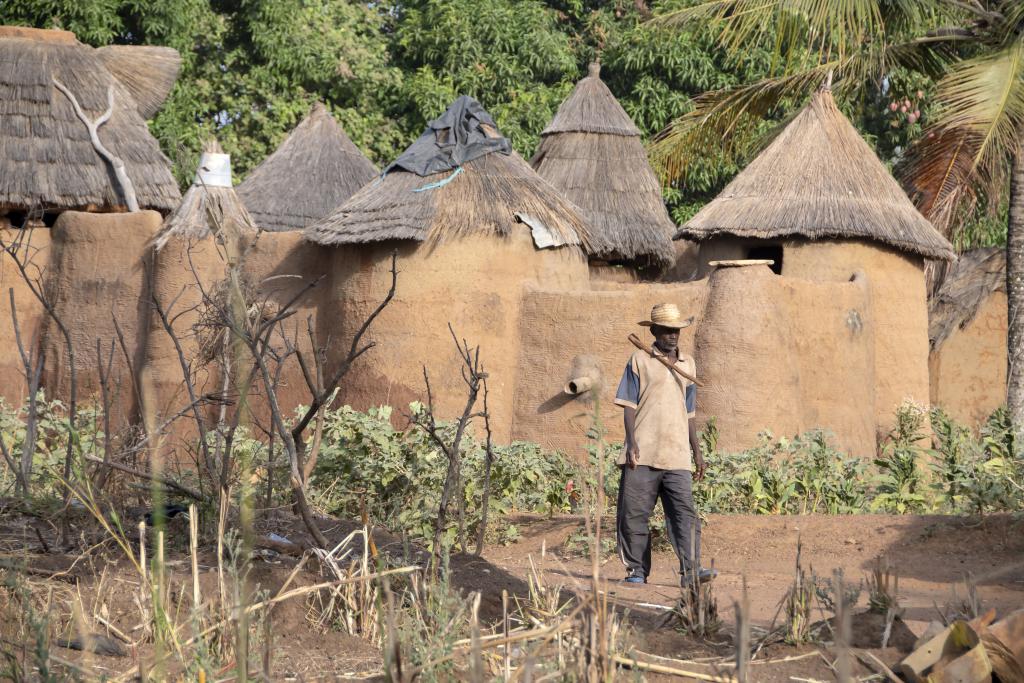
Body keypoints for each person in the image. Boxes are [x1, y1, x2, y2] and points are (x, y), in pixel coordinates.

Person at [613, 303, 715, 586]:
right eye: (667, 330)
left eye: (676, 331)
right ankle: (636, 570)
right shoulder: (639, 360)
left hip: (677, 454)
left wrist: (697, 452)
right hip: (642, 452)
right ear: (654, 331)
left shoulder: (688, 365)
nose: (672, 336)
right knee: (634, 513)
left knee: (684, 513)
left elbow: (690, 414)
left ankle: (691, 570)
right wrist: (631, 442)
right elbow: (629, 406)